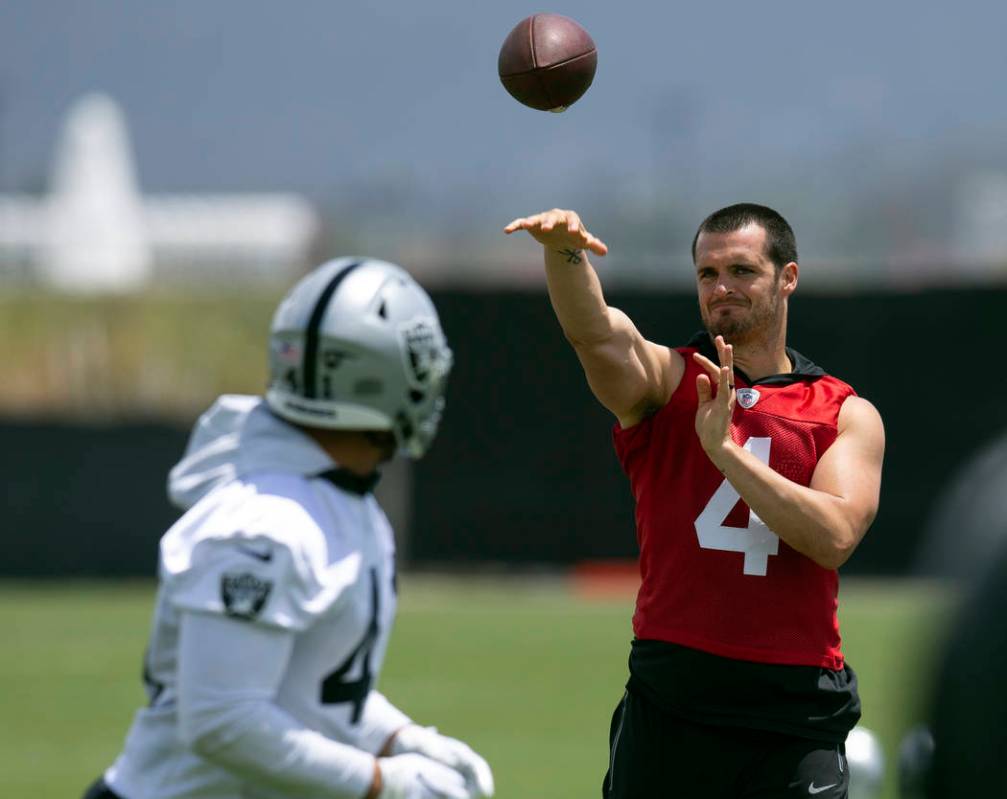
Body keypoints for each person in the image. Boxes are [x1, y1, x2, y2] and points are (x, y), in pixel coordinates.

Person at [505, 205, 885, 799]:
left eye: (742, 270)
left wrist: (726, 453)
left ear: (788, 278)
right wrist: (564, 252)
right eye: (708, 274)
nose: (722, 288)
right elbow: (597, 333)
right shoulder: (668, 383)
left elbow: (834, 536)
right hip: (674, 700)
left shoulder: (843, 412)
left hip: (795, 710)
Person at [82, 257, 494, 799]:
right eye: (416, 367)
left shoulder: (341, 498)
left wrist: (400, 739)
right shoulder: (267, 524)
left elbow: (311, 690)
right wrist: (384, 784)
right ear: (375, 378)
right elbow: (222, 720)